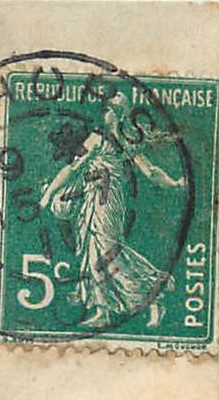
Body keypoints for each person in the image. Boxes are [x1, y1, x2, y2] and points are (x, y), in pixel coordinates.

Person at [38, 93, 186, 329]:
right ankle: (105, 309)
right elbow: (74, 169)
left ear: (117, 114)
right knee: (92, 251)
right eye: (105, 109)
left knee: (104, 253)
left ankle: (149, 298)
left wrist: (174, 183)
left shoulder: (120, 141)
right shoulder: (96, 138)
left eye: (108, 109)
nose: (104, 114)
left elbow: (151, 172)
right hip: (91, 200)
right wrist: (50, 195)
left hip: (108, 203)